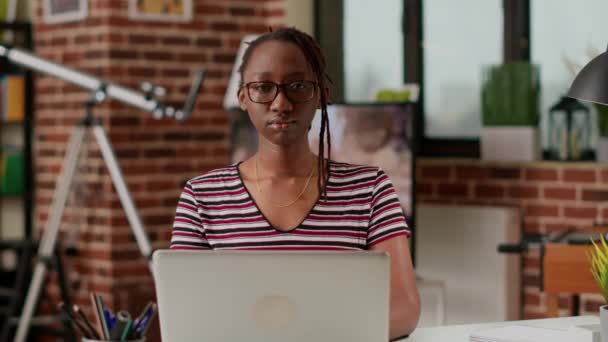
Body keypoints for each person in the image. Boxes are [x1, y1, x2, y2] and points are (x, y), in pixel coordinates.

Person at [170, 27, 420, 339]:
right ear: (243, 98)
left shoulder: (370, 189)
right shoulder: (201, 196)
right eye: (263, 87)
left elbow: (405, 307)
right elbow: (184, 313)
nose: (281, 103)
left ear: (320, 96)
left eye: (298, 85)